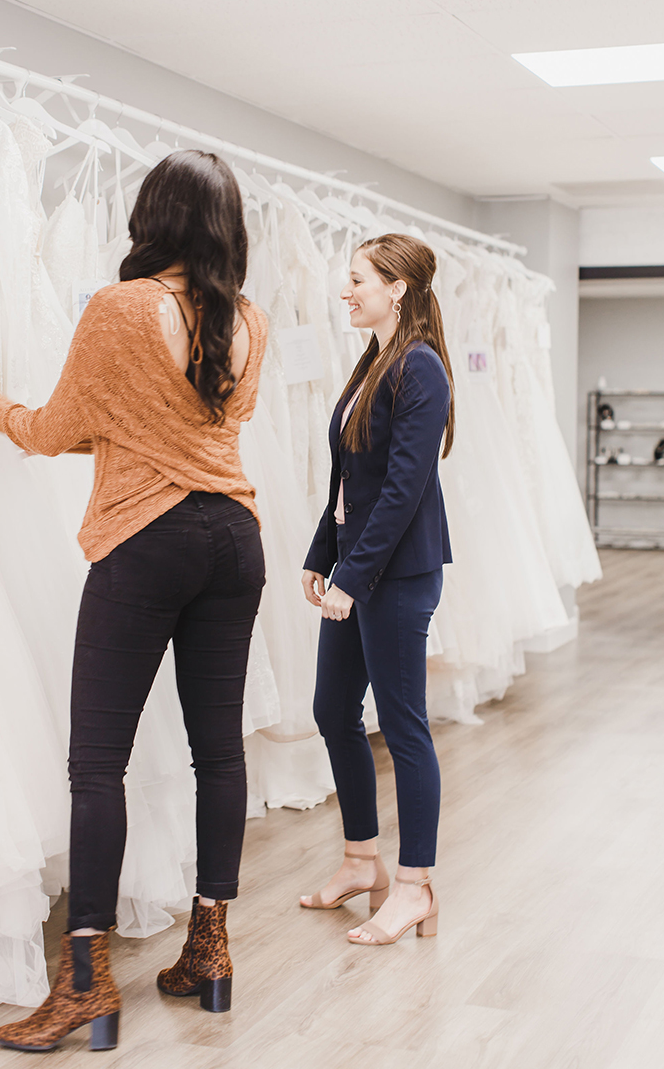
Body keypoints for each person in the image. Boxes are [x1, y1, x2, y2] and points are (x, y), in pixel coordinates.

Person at [0, 150, 268, 1050]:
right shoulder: (247, 319)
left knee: (97, 761)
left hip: (149, 538)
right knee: (219, 751)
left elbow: (58, 430)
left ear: (154, 216)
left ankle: (85, 983)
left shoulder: (122, 307)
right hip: (236, 538)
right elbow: (203, 421)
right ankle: (208, 948)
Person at [300, 233, 453, 947]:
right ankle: (363, 862)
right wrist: (320, 555)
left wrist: (351, 581)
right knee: (333, 709)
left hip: (397, 575)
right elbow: (349, 479)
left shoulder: (421, 369)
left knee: (403, 726)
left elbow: (401, 489)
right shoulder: (375, 361)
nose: (345, 290)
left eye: (356, 279)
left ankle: (416, 885)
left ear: (396, 288)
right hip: (358, 566)